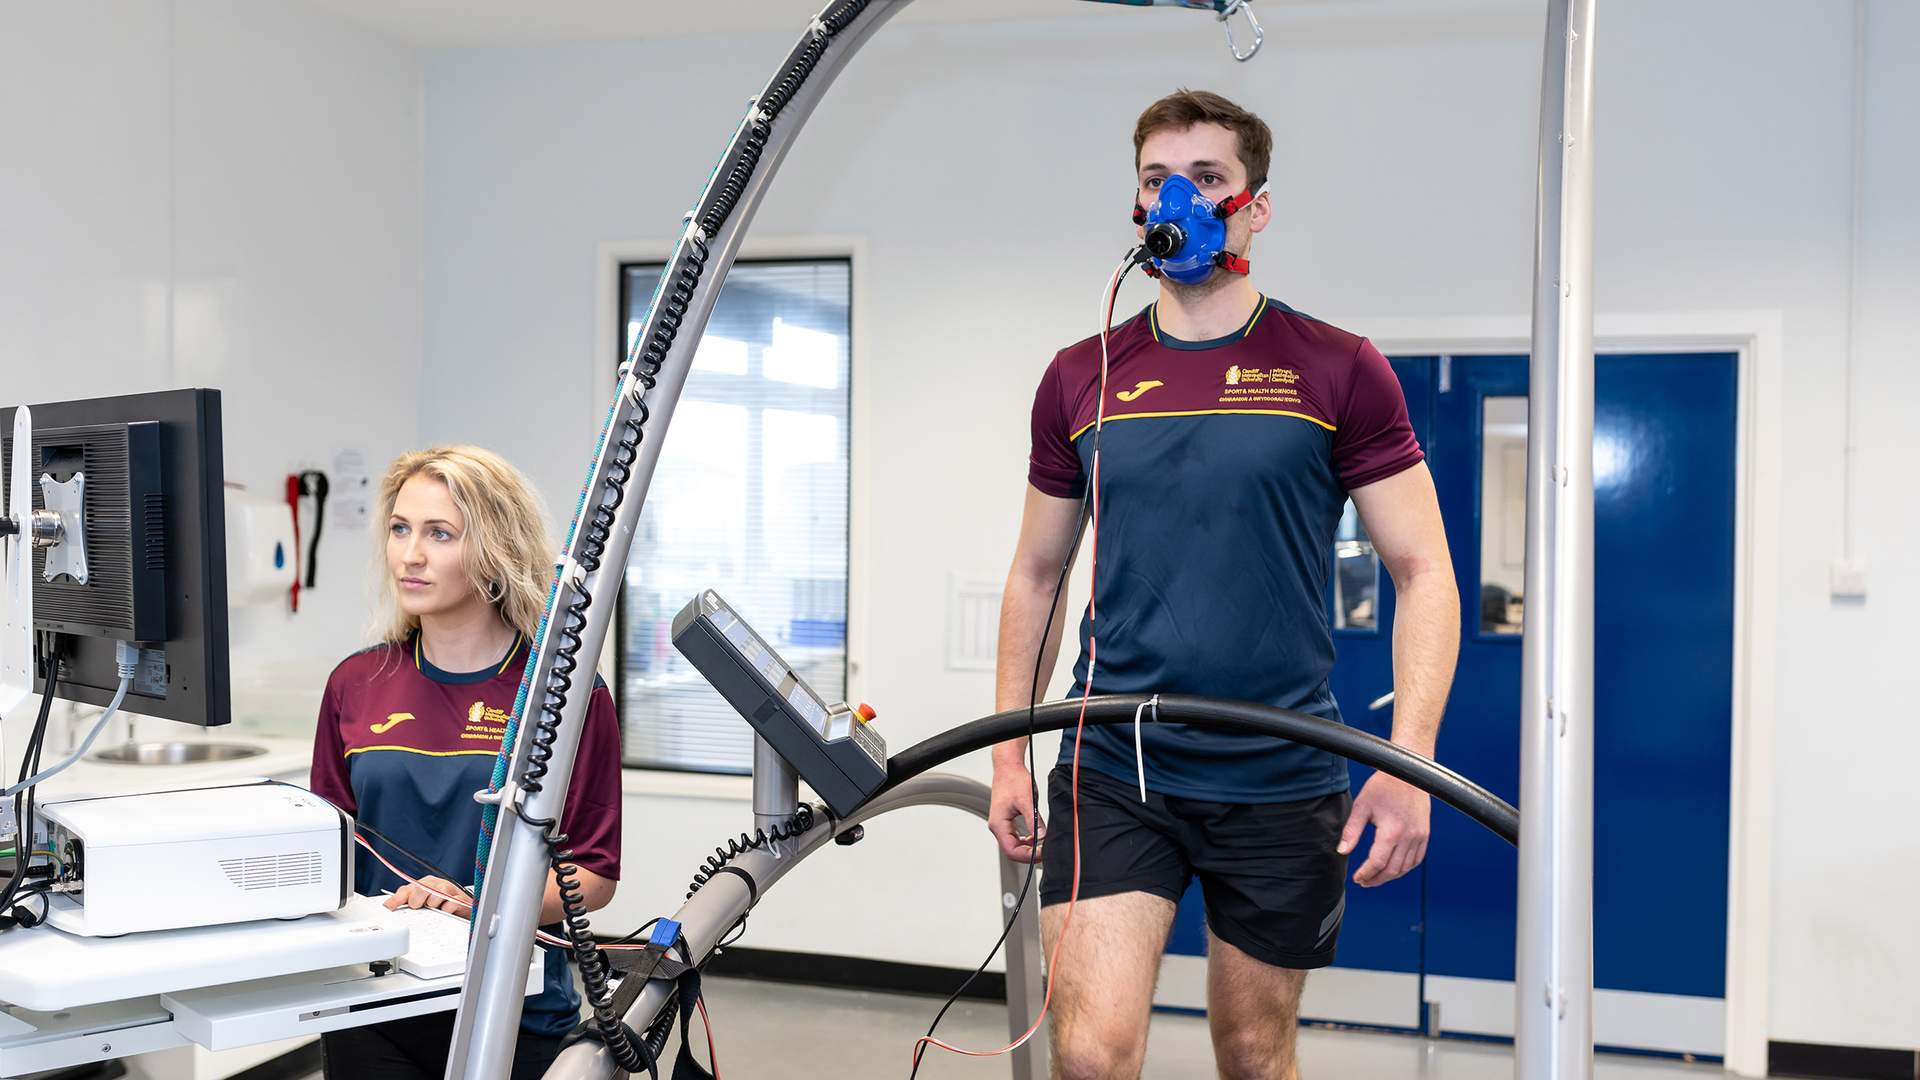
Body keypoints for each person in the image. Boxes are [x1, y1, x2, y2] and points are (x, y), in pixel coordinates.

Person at [989, 90, 1459, 1080]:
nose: (1181, 197)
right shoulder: (1084, 375)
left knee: (1252, 1053)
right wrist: (1008, 753)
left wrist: (1409, 759)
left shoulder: (1337, 369)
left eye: (1207, 178)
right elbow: (1038, 573)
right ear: (1136, 204)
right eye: (1159, 178)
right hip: (1115, 763)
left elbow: (1423, 572)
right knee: (1091, 1053)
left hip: (1281, 771)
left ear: (1256, 204)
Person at [310, 446, 623, 1080]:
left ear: (492, 550)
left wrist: (478, 906)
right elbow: (323, 849)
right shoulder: (356, 682)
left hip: (513, 1011)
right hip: (373, 1001)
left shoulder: (564, 695)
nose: (410, 555)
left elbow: (593, 872)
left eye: (439, 534)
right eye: (400, 529)